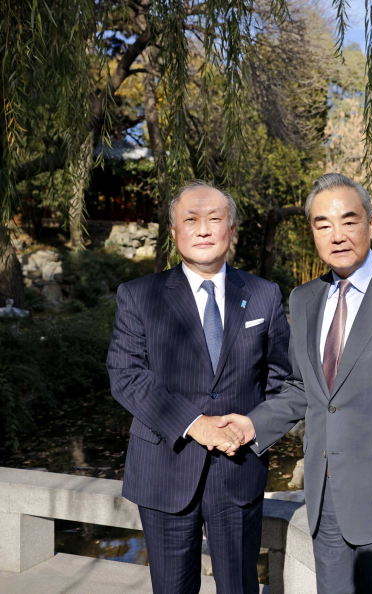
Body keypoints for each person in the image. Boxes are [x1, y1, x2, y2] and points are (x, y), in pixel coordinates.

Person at [220, 173, 372, 594]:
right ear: (312, 231)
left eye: (349, 221)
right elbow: (301, 387)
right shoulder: (304, 298)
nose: (337, 235)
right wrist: (252, 425)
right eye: (322, 224)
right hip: (325, 496)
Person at [106, 180, 291, 594]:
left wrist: (254, 425)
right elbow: (126, 375)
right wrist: (196, 424)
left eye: (214, 219)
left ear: (232, 229)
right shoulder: (140, 296)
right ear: (174, 233)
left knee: (240, 586)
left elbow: (283, 380)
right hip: (164, 469)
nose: (203, 229)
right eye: (190, 220)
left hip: (239, 467)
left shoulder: (263, 295)